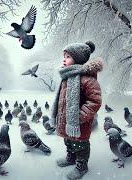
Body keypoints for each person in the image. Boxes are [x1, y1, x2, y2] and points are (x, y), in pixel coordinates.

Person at [50, 41, 102, 179]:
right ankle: (71, 157)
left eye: (67, 56)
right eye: (64, 56)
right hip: (67, 121)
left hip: (80, 122)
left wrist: (79, 116)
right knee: (68, 141)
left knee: (80, 145)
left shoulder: (87, 79)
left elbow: (95, 101)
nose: (64, 59)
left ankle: (82, 165)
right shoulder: (67, 77)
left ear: (77, 59)